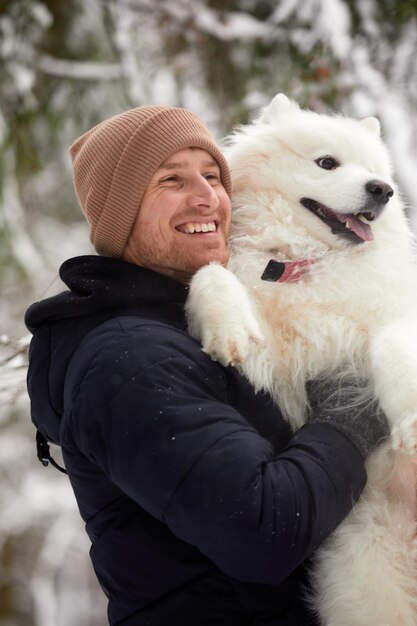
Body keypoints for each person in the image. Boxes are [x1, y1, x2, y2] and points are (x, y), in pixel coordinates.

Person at [25, 106, 388, 626]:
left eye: (214, 176)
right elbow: (262, 531)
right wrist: (353, 418)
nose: (207, 197)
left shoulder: (190, 323)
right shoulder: (130, 361)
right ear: (121, 211)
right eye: (171, 179)